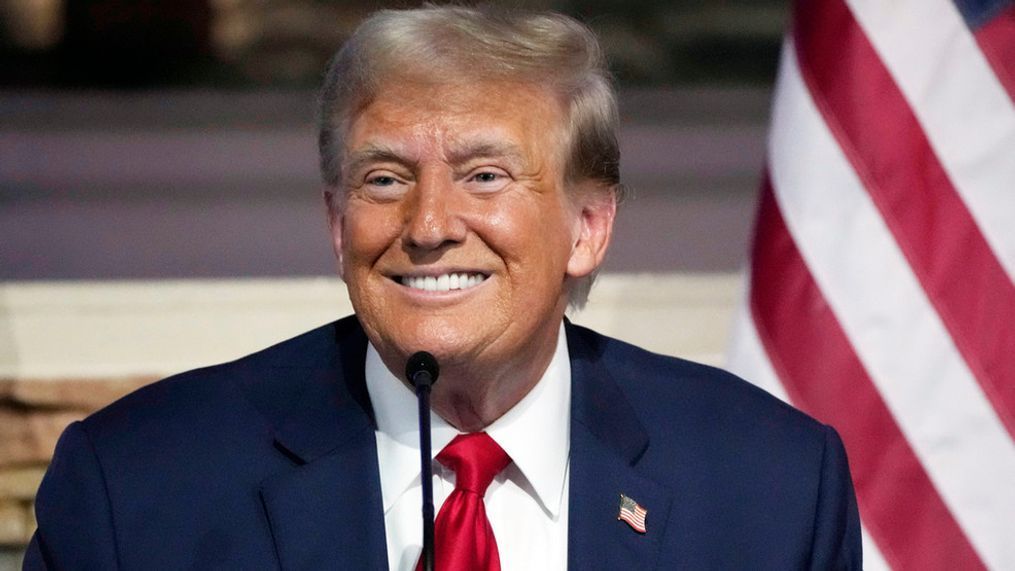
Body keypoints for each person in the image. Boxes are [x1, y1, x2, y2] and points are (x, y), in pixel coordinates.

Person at [25, 6, 861, 570]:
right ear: (335, 219)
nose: (428, 224)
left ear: (587, 227)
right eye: (384, 180)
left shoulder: (772, 486)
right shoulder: (136, 488)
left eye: (485, 175)